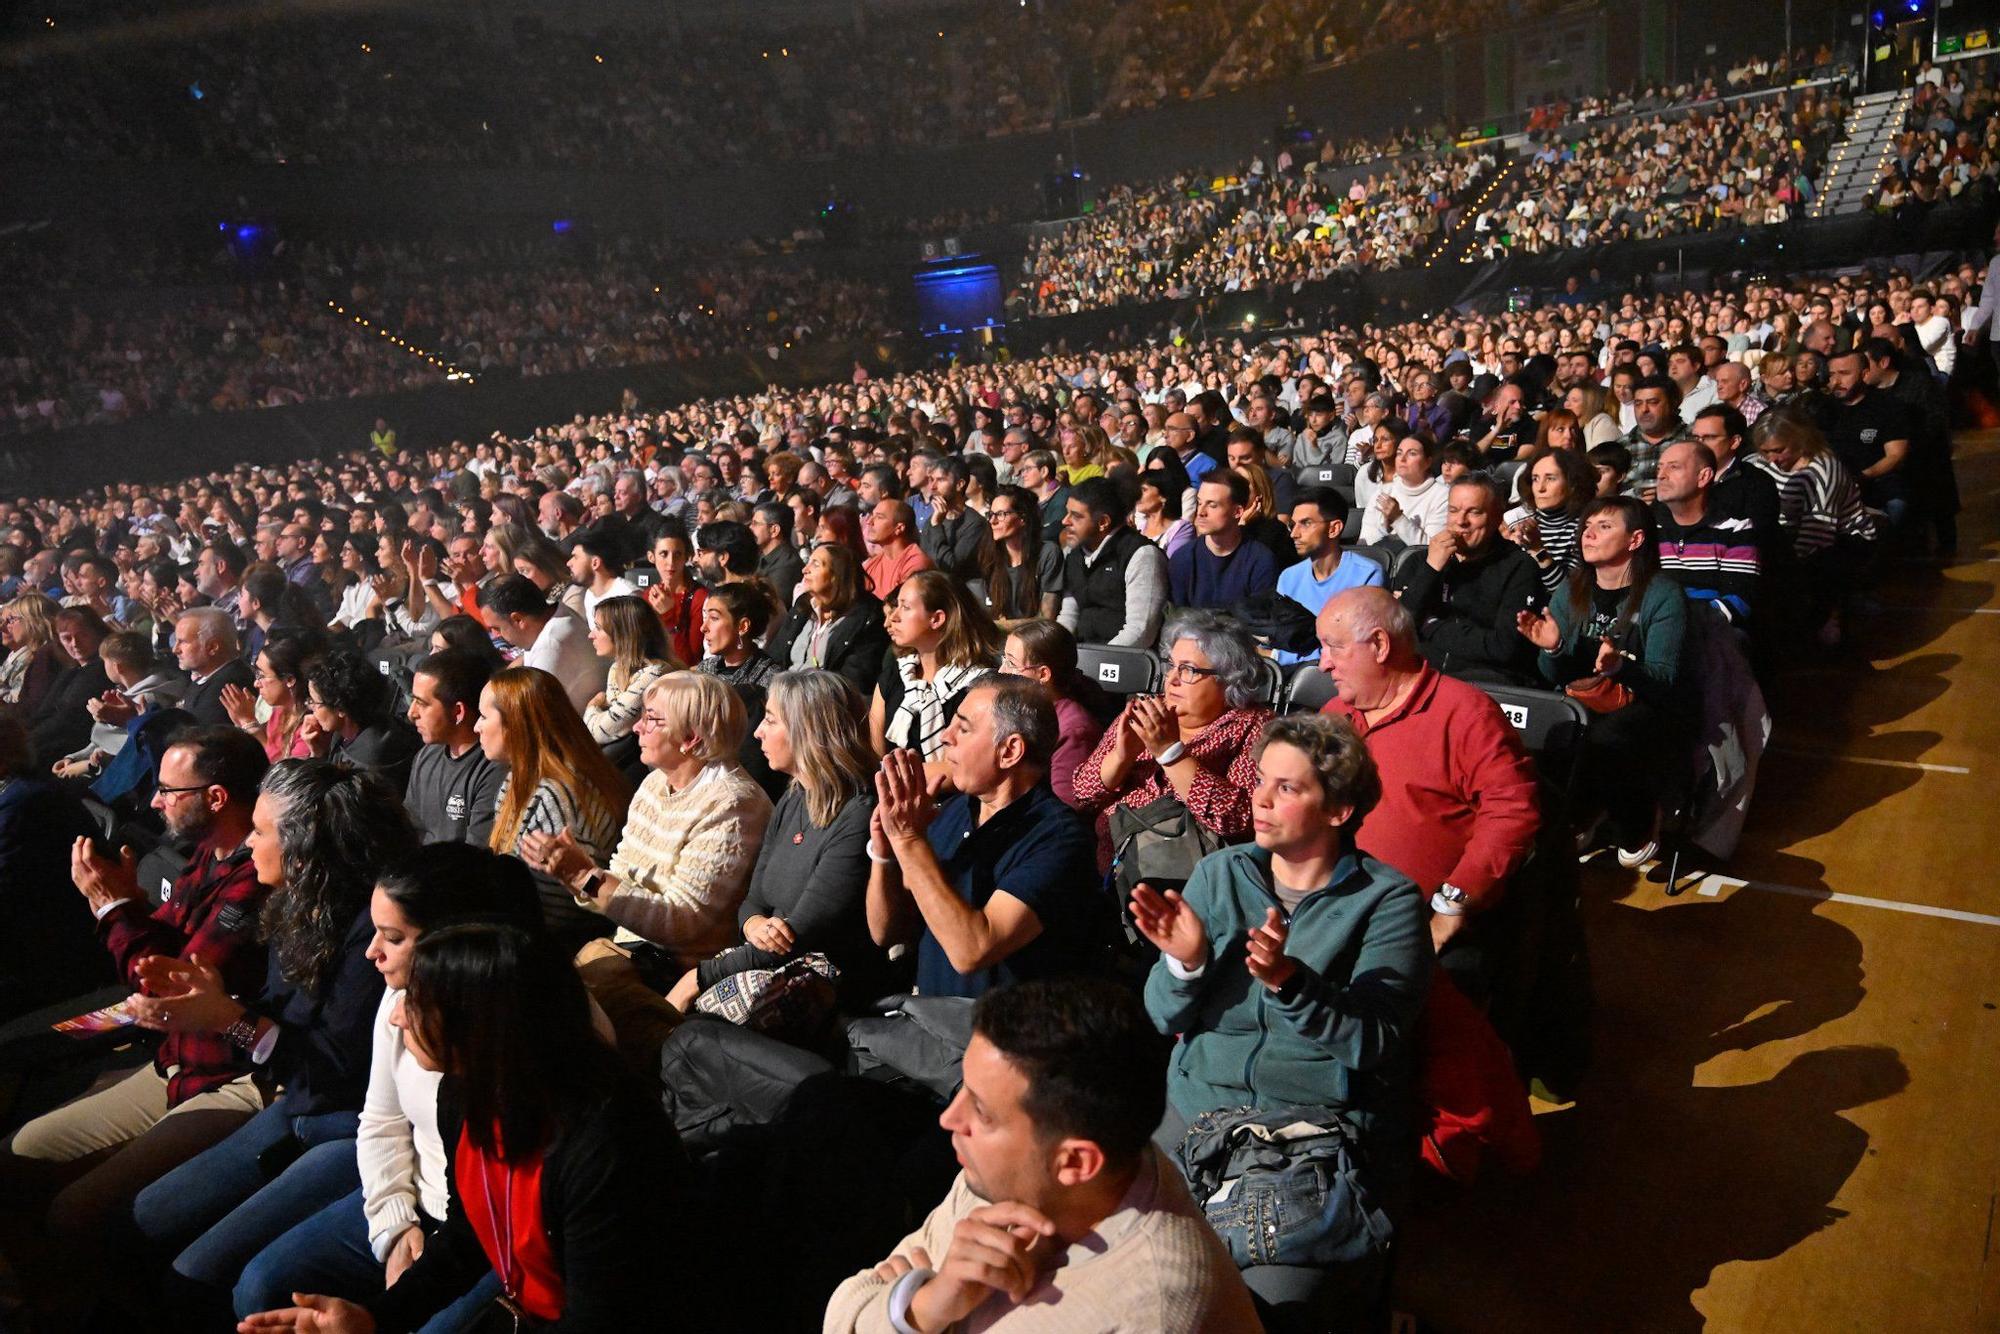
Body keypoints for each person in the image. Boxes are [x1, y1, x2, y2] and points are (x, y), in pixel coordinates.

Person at [240, 924, 692, 1333]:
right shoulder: (466, 1092)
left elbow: (602, 1320)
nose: (397, 1017)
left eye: (416, 1002)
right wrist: (378, 1317)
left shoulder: (608, 1146)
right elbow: (471, 1231)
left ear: (478, 1025)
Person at [1133, 712, 1429, 1330]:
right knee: (1125, 1268)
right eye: (1261, 780)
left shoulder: (1387, 901)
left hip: (1307, 1135)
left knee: (1266, 1310)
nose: (1259, 800)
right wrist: (1184, 963)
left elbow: (1374, 1041)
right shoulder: (1222, 872)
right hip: (1196, 1112)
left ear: (1339, 811)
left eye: (1287, 789)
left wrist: (1292, 984)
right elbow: (1161, 1016)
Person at [0, 728, 271, 1321]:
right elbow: (168, 940)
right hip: (175, 1057)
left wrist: (112, 909)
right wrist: (132, 908)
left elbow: (165, 980)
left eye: (169, 791)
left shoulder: (257, 877)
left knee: (76, 1211)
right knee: (16, 1157)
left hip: (232, 1074)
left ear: (217, 797)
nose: (153, 801)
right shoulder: (209, 853)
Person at [126, 761, 421, 1306]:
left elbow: (335, 1070)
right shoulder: (294, 902)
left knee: (203, 1275)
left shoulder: (370, 931)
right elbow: (282, 1021)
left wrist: (226, 1019)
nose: (250, 843)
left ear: (305, 845)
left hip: (347, 1125)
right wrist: (212, 1003)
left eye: (261, 832)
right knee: (150, 1214)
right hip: (297, 1106)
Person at [827, 976, 1261, 1334]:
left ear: (1075, 1163)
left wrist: (895, 1298)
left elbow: (864, 1298)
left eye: (981, 1110)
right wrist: (920, 1307)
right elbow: (842, 1312)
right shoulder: (1016, 1170)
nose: (949, 1119)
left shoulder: (1147, 1314)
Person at [226, 844, 546, 1325]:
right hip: (412, 1200)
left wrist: (395, 1305)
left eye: (392, 937)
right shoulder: (401, 996)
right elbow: (380, 1119)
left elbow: (496, 1219)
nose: (371, 952)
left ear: (455, 945)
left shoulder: (521, 1058)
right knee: (261, 1284)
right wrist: (395, 1227)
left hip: (490, 1236)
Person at [1314, 588, 1539, 998]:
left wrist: (1452, 905)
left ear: (1380, 645)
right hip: (1335, 911)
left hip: (1426, 921)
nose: (1322, 663)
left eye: (1334, 647)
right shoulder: (1335, 716)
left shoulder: (1465, 714)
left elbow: (1512, 813)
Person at [648, 669, 891, 1014]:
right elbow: (752, 901)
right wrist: (754, 924)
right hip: (765, 964)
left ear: (808, 731)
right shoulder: (794, 797)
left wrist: (695, 979)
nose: (758, 732)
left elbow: (800, 934)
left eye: (771, 721)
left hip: (823, 992)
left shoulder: (859, 815)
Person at [866, 676, 1100, 999]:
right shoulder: (951, 812)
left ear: (1010, 751)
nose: (946, 738)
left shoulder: (1058, 839)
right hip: (930, 1026)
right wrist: (885, 854)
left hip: (1006, 1040)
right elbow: (887, 931)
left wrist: (908, 841)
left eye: (963, 729)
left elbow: (972, 950)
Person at [523, 671, 772, 971]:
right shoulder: (655, 783)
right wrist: (578, 876)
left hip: (678, 970)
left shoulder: (733, 805)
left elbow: (682, 923)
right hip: (628, 948)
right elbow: (620, 875)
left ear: (690, 738)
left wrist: (585, 877)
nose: (637, 727)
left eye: (651, 719)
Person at [1515, 496, 1688, 863]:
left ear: (1636, 540)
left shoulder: (1662, 594)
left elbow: (1665, 682)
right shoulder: (1573, 588)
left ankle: (1635, 817)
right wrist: (1554, 647)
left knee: (1605, 736)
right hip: (1585, 699)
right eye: (1587, 527)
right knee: (1543, 724)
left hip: (1645, 704)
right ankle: (1578, 811)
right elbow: (1551, 679)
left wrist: (1618, 668)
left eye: (1604, 527)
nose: (1588, 534)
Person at [1072, 610, 1272, 856]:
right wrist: (1121, 757)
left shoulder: (1255, 728)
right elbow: (1082, 794)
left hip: (1182, 871)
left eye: (1189, 670)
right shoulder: (1148, 712)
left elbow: (1238, 820)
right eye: (1171, 666)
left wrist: (1170, 753)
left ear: (1229, 679)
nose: (1173, 679)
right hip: (1110, 860)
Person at [476, 666, 630, 949]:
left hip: (553, 947)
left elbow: (557, 913)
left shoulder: (554, 796)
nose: (477, 727)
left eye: (484, 717)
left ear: (515, 724)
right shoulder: (517, 779)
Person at [1390, 473, 1543, 683]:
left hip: (1487, 684)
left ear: (1497, 518)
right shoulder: (1420, 562)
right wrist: (1431, 569)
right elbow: (1397, 630)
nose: (1461, 521)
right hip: (1419, 679)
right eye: (1453, 511)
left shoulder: (1519, 567)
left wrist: (1430, 626)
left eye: (1474, 512)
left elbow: (1504, 648)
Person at [1748, 409, 1878, 646]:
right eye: (1766, 451)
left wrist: (1783, 563)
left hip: (1839, 537)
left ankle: (1827, 617)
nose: (1772, 459)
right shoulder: (1760, 464)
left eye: (1779, 450)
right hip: (1788, 534)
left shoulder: (1823, 469)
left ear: (1800, 440)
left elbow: (1818, 532)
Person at [871, 570, 1003, 763]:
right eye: (896, 606)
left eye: (905, 607)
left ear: (937, 619)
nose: (893, 618)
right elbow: (875, 755)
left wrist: (897, 776)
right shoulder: (895, 675)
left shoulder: (979, 686)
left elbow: (969, 766)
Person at [999, 620, 1109, 810]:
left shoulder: (1073, 729)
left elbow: (1064, 809)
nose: (1001, 671)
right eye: (1003, 660)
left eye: (1011, 663)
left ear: (1043, 674)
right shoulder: (1021, 711)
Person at [1652, 440, 1762, 628]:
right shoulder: (1649, 527)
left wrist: (1672, 620)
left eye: (1674, 467)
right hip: (1652, 627)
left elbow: (1739, 601)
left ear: (1703, 477)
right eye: (1659, 469)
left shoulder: (1734, 528)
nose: (1662, 476)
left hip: (1708, 633)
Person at [402, 648, 503, 847]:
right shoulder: (426, 756)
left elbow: (476, 855)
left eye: (421, 703)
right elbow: (408, 829)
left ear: (458, 712)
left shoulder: (494, 770)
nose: (411, 713)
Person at [1272, 485, 1382, 665]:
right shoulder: (1288, 577)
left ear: (1334, 528)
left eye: (1306, 523)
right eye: (1293, 525)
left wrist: (1279, 658)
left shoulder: (1367, 575)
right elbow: (1283, 640)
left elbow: (1356, 647)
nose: (1294, 534)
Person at [768, 541, 891, 699]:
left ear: (836, 576)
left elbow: (853, 683)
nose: (805, 570)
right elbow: (773, 659)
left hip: (824, 708)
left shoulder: (868, 618)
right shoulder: (802, 606)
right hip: (781, 700)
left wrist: (798, 699)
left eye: (816, 564)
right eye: (808, 562)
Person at [1055, 477, 1167, 650]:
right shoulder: (1075, 555)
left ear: (1103, 522)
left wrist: (1097, 660)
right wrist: (1055, 651)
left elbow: (1141, 631)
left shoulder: (1141, 555)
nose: (1065, 521)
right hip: (1082, 656)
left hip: (1125, 662)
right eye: (1067, 512)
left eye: (1076, 516)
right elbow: (1069, 615)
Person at [480, 573, 607, 715]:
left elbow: (534, 721)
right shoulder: (556, 615)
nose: (496, 635)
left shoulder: (550, 647)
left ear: (518, 619)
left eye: (497, 628)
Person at [302, 650, 421, 793]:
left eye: (314, 702)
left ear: (340, 708)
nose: (310, 708)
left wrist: (317, 759)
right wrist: (318, 753)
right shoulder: (350, 732)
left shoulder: (368, 765)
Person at [1822, 346, 1914, 531]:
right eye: (1832, 374)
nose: (1836, 381)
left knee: (1897, 505)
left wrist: (1863, 476)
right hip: (1829, 482)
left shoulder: (1888, 407)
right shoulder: (1823, 408)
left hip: (1876, 480)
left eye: (1844, 373)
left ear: (1864, 375)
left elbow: (1896, 455)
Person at [1168, 471, 1280, 610]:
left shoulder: (1260, 561)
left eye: (1212, 505)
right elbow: (1177, 621)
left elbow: (1261, 621)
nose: (1201, 512)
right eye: (1199, 502)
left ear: (1237, 512)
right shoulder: (1183, 558)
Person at [583, 594, 681, 746]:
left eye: (598, 628)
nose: (591, 635)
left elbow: (601, 732)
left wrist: (593, 706)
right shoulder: (617, 669)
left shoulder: (655, 674)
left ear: (623, 634)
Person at [1505, 446, 1597, 592]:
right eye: (1535, 479)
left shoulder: (1584, 530)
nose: (1540, 488)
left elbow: (1566, 597)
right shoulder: (1526, 524)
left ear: (1572, 484)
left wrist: (1539, 551)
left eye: (1550, 479)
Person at [222, 629, 319, 762]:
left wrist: (250, 724)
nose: (256, 684)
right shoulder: (279, 711)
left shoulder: (311, 725)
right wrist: (241, 723)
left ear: (289, 680)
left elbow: (281, 773)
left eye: (261, 676)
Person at [983, 484, 1062, 628]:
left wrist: (999, 627)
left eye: (1001, 514)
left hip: (1036, 641)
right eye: (991, 514)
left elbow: (1047, 618)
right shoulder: (992, 556)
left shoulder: (1048, 553)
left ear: (1022, 518)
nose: (992, 521)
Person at [1358, 433, 1451, 547]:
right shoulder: (1384, 492)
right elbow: (1365, 542)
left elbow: (1432, 548)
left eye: (1412, 453)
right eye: (1399, 453)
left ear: (1428, 462)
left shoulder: (1443, 496)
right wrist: (1385, 525)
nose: (1402, 459)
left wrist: (1398, 519)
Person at [640, 524, 708, 668]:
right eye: (664, 554)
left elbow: (689, 661)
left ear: (686, 557)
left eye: (677, 554)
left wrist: (669, 616)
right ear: (651, 557)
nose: (671, 563)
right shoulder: (647, 596)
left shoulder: (699, 598)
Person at [1620, 376, 1687, 502]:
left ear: (1673, 403)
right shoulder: (1621, 447)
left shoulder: (1692, 440)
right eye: (1638, 403)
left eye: (1653, 402)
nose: (1644, 409)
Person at [1, 592, 69, 714]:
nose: (7, 627)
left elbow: (25, 706)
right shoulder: (42, 653)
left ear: (32, 621)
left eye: (12, 620)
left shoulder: (45, 657)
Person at [861, 498, 933, 601]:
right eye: (872, 515)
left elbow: (900, 607)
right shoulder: (872, 565)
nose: (869, 522)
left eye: (879, 517)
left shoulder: (915, 563)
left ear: (899, 528)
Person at [565, 528, 636, 626]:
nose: (569, 563)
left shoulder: (627, 596)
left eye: (575, 557)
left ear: (595, 563)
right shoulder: (589, 596)